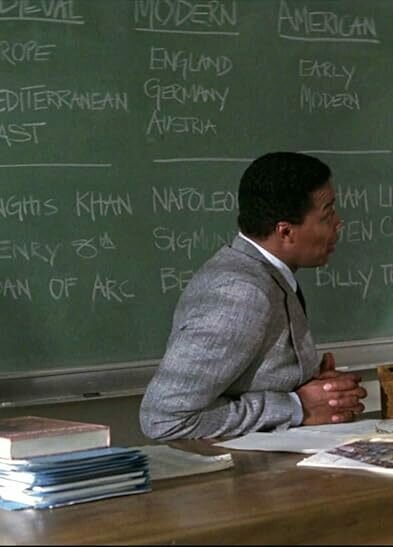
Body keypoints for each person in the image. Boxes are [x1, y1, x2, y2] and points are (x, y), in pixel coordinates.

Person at [139, 152, 366, 441]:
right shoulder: (241, 293)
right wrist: (297, 407)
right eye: (327, 214)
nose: (338, 223)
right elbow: (163, 418)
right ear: (285, 231)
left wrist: (312, 385)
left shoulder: (265, 272)